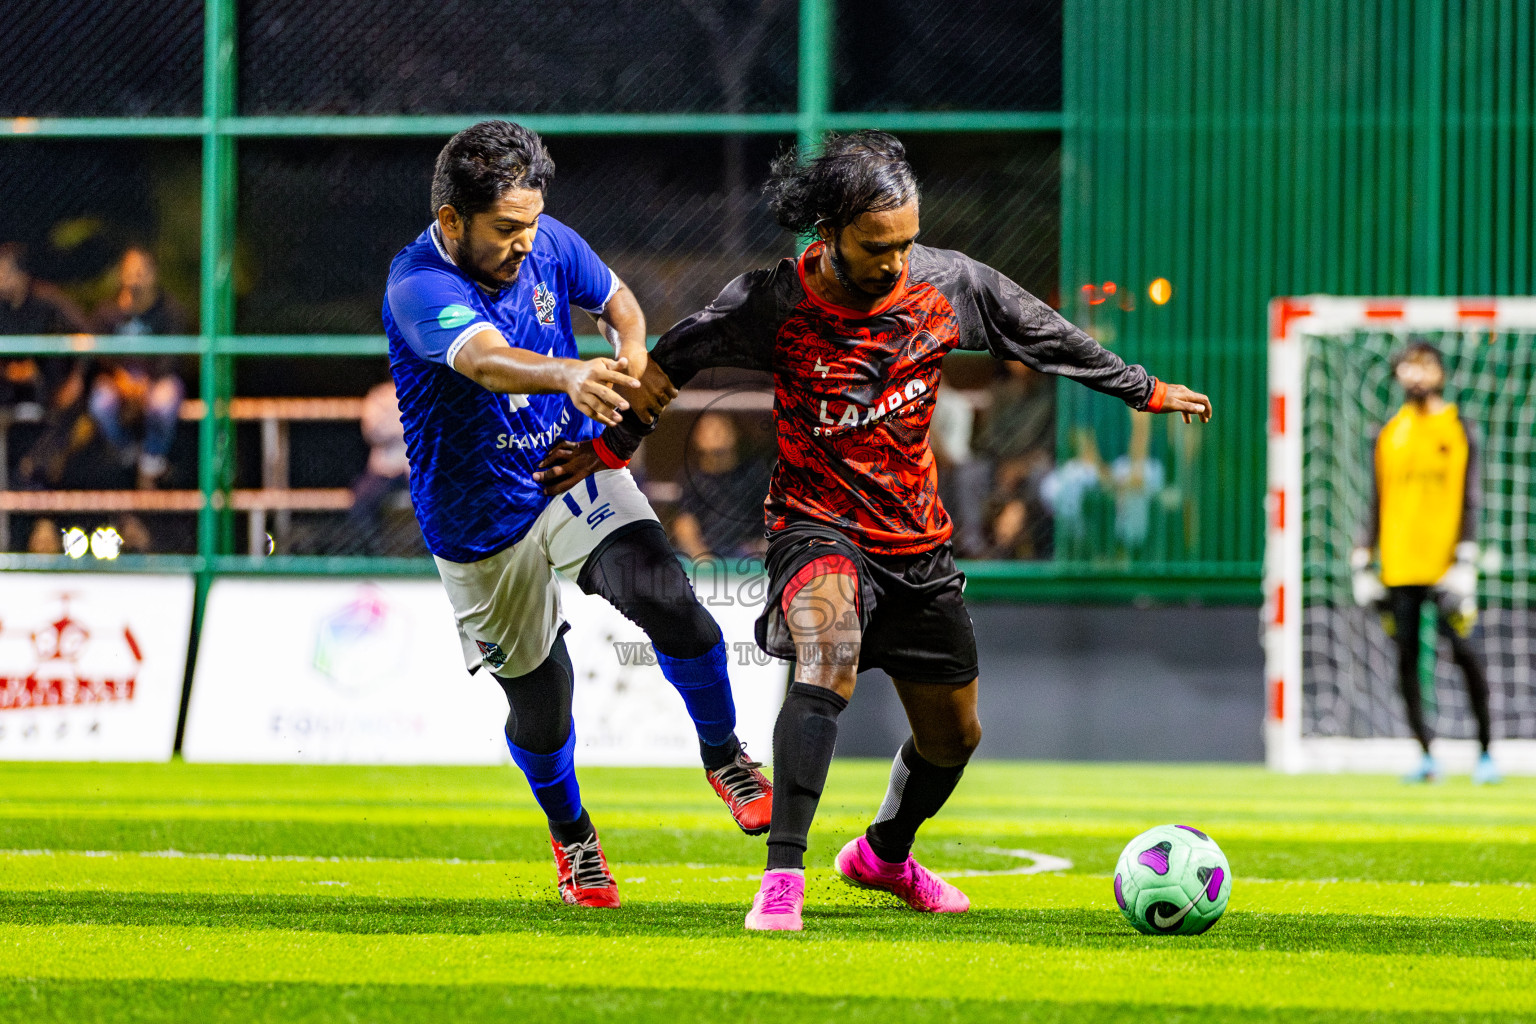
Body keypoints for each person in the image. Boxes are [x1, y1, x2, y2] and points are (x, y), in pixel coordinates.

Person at [537, 130, 1212, 931]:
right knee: (828, 657)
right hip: (813, 526)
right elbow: (675, 355)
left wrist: (1141, 389)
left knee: (954, 737)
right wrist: (611, 448)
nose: (896, 260)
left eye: (906, 242)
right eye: (876, 245)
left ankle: (884, 854)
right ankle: (781, 879)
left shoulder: (946, 285)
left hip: (916, 544)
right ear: (828, 232)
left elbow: (1042, 331)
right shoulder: (774, 301)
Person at [383, 120, 771, 909]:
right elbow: (486, 361)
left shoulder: (547, 238)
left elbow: (619, 301)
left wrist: (630, 348)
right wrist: (569, 373)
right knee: (542, 701)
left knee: (670, 600)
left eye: (530, 224)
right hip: (479, 519)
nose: (525, 244)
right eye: (505, 230)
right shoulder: (417, 285)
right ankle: (575, 841)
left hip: (567, 468)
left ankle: (726, 755)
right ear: (452, 220)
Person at [1350, 341, 1498, 785]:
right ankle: (1426, 753)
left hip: (1447, 566)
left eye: (1425, 366)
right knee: (1406, 659)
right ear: (1397, 375)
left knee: (1466, 654)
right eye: (1408, 367)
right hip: (1398, 567)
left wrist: (1466, 559)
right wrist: (1362, 557)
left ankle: (1487, 753)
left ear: (1440, 372)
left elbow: (1471, 497)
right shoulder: (1388, 432)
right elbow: (1377, 499)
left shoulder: (1459, 429)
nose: (1416, 375)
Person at [91, 245, 191, 489]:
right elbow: (98, 354)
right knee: (100, 403)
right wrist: (119, 378)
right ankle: (127, 452)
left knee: (164, 402)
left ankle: (151, 460)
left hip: (157, 378)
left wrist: (149, 382)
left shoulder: (171, 311)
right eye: (130, 271)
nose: (135, 277)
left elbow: (174, 357)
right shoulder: (106, 312)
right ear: (121, 274)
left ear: (153, 275)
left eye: (142, 271)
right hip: (118, 380)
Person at [0, 242, 92, 490]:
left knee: (71, 404)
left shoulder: (46, 298)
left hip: (48, 383)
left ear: (21, 274)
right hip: (9, 385)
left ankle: (36, 465)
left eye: (4, 271)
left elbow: (85, 334)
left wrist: (77, 378)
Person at [670, 411, 770, 564]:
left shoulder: (754, 473)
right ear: (697, 438)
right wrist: (699, 553)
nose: (715, 433)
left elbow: (774, 517)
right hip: (705, 553)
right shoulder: (691, 477)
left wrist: (763, 546)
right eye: (708, 429)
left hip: (747, 553)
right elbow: (684, 521)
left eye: (721, 427)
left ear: (734, 434)